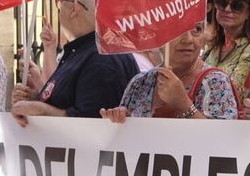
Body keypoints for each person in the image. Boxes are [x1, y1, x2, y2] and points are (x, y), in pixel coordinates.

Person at [11, 0, 138, 124]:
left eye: (61, 2)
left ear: (74, 9)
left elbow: (89, 124)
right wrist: (36, 96)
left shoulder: (103, 58)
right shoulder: (84, 50)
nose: (59, 8)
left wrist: (38, 109)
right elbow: (66, 101)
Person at [100, 16, 239, 122]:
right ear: (158, 36)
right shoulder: (140, 83)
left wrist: (183, 104)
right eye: (177, 29)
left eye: (197, 29)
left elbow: (223, 141)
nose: (188, 39)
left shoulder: (215, 82)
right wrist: (121, 118)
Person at [206, 0, 250, 94]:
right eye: (222, 2)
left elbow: (235, 91)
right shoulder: (212, 46)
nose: (227, 9)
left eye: (237, 5)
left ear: (248, 13)